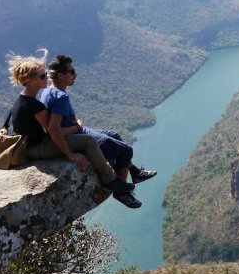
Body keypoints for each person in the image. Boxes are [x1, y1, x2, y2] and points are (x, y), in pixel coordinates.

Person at [7, 50, 139, 208]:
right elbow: (53, 131)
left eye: (46, 75)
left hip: (29, 145)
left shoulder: (24, 98)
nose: (46, 78)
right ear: (28, 80)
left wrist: (73, 127)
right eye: (42, 76)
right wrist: (70, 154)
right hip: (36, 148)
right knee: (89, 141)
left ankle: (129, 173)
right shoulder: (33, 105)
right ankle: (110, 179)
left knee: (105, 137)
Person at [40, 54, 155, 204]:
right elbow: (53, 128)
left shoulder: (50, 90)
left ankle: (135, 172)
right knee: (126, 150)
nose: (76, 74)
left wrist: (75, 122)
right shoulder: (61, 97)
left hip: (76, 130)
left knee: (116, 135)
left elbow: (61, 119)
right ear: (60, 75)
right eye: (72, 72)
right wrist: (72, 145)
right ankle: (121, 193)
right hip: (74, 135)